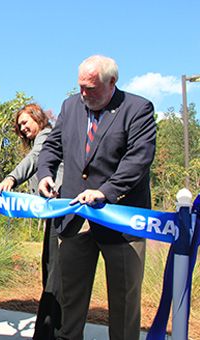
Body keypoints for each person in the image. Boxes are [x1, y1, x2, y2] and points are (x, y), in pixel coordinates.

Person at [37, 55, 156, 340]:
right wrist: (45, 173)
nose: (83, 94)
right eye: (80, 86)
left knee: (124, 304)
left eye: (91, 87)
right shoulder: (70, 105)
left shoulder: (137, 108)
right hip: (76, 220)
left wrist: (106, 191)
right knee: (69, 301)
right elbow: (52, 146)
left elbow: (138, 160)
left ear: (112, 82)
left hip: (121, 222)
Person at [0, 103, 63, 340]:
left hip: (61, 211)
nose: (22, 128)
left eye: (25, 122)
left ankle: (48, 333)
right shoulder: (45, 137)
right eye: (19, 126)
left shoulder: (47, 135)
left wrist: (12, 177)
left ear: (38, 118)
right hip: (53, 214)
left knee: (54, 276)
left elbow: (37, 157)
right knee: (51, 272)